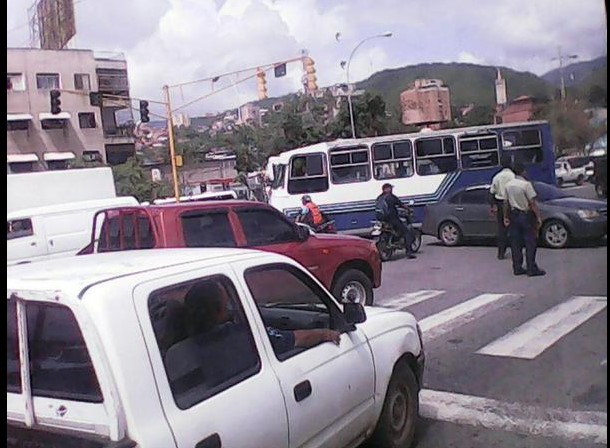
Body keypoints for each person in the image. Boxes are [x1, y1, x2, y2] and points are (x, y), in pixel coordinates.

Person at [184, 280, 341, 356]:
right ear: (218, 312)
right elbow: (296, 338)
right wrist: (325, 334)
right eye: (227, 305)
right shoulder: (239, 336)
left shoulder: (180, 351)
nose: (230, 309)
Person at [503, 162, 546, 277]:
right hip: (525, 215)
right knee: (530, 242)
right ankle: (531, 267)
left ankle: (517, 267)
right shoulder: (526, 185)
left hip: (513, 215)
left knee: (515, 243)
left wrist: (506, 217)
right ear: (522, 171)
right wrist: (538, 217)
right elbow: (532, 202)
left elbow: (506, 203)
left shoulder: (508, 185)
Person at [375, 183, 416, 259]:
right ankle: (409, 252)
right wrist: (408, 209)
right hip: (392, 219)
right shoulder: (391, 197)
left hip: (381, 219)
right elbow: (400, 204)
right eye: (390, 188)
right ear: (387, 189)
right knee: (406, 232)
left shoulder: (379, 198)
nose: (391, 189)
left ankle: (393, 240)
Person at [489, 155, 515, 259]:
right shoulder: (513, 176)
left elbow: (491, 193)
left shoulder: (497, 177)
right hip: (512, 204)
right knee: (514, 230)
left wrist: (493, 205)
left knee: (502, 230)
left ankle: (501, 253)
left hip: (500, 204)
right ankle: (515, 252)